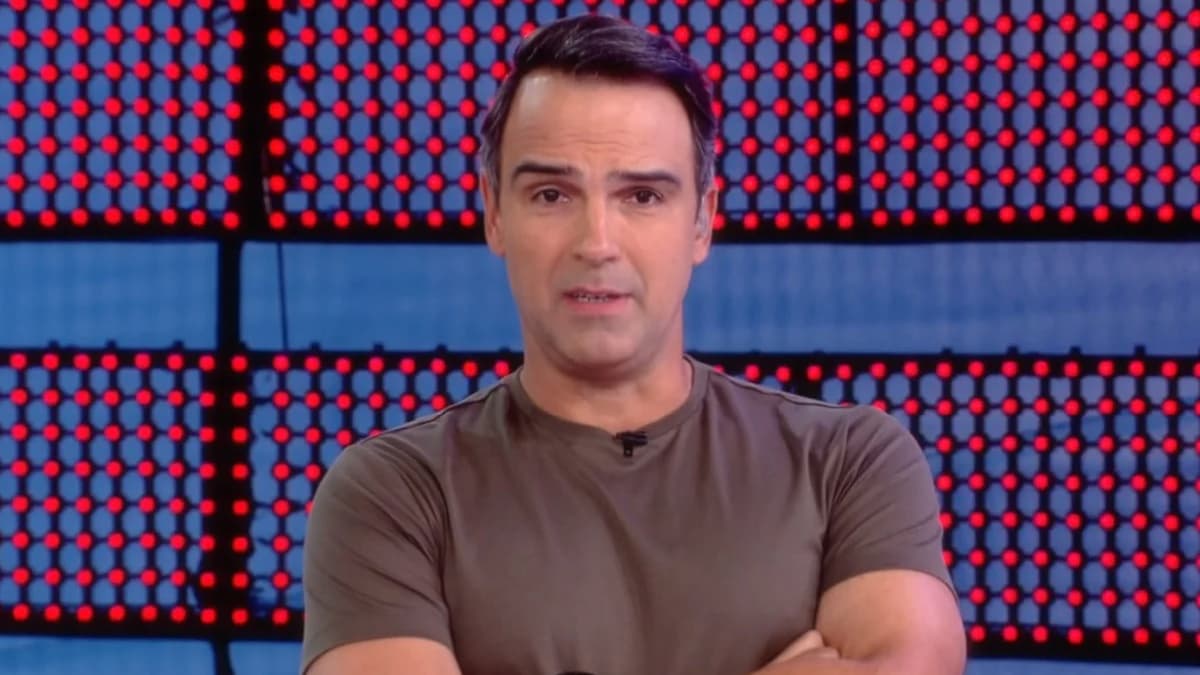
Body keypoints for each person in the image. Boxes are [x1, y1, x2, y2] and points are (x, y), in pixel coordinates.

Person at [301, 14, 965, 675]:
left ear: (703, 220)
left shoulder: (848, 464)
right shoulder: (391, 495)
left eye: (642, 195)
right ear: (495, 213)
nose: (597, 243)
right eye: (552, 194)